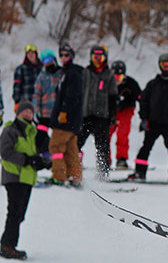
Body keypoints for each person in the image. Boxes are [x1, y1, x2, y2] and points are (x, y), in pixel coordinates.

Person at [0, 101, 50, 260]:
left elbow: (34, 154)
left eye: (30, 112)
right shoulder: (11, 129)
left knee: (20, 214)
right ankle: (7, 246)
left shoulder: (32, 132)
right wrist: (27, 160)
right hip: (14, 176)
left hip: (27, 178)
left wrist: (41, 163)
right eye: (25, 111)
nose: (28, 114)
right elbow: (5, 152)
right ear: (18, 113)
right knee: (15, 212)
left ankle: (6, 244)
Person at [128, 54, 168, 182]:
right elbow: (143, 101)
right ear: (160, 66)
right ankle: (139, 172)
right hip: (152, 124)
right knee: (145, 148)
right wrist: (144, 119)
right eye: (163, 64)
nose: (166, 67)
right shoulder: (152, 84)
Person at [77, 45, 118, 178]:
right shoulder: (85, 73)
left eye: (100, 57)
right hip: (86, 114)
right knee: (77, 142)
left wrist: (112, 115)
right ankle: (71, 168)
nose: (98, 60)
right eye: (95, 57)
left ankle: (103, 172)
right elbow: (79, 93)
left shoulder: (109, 74)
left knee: (102, 146)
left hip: (102, 116)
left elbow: (113, 96)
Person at [48, 43, 84, 187]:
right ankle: (75, 177)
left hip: (66, 119)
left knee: (55, 146)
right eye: (61, 55)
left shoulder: (72, 73)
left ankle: (59, 176)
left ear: (72, 56)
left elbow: (71, 96)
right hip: (72, 120)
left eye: (66, 55)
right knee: (71, 150)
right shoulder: (67, 72)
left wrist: (64, 111)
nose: (63, 57)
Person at [108, 60, 141, 169]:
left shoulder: (131, 83)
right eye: (115, 77)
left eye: (120, 77)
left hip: (126, 110)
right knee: (106, 133)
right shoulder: (107, 83)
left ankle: (121, 159)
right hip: (110, 111)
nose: (117, 79)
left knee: (122, 133)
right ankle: (105, 159)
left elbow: (140, 97)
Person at [32, 49, 63, 160]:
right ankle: (40, 155)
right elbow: (36, 94)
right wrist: (36, 110)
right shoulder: (42, 76)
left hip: (58, 113)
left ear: (54, 60)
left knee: (60, 136)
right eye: (45, 61)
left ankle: (62, 158)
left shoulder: (61, 73)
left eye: (49, 60)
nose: (48, 63)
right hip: (44, 114)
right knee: (40, 135)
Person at [12, 43, 42, 111]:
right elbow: (16, 87)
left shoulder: (42, 68)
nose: (30, 55)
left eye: (32, 53)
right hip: (26, 103)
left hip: (40, 103)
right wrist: (17, 102)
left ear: (36, 54)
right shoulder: (20, 69)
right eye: (28, 53)